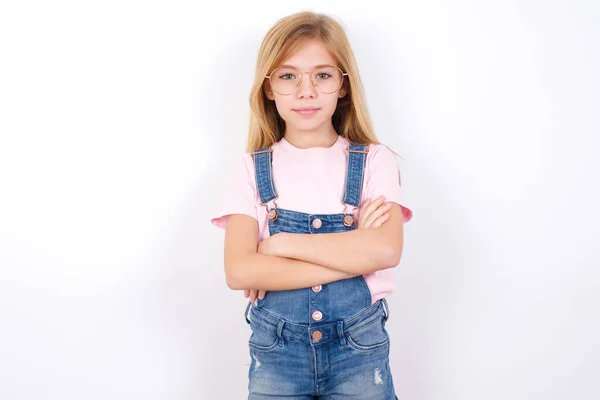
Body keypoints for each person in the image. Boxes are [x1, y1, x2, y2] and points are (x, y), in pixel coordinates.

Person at [210, 10, 413, 399]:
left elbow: (386, 250)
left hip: (359, 351)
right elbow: (239, 271)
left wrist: (279, 248)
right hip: (278, 355)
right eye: (288, 76)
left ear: (343, 85)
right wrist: (355, 253)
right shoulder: (251, 169)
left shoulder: (374, 160)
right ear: (268, 87)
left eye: (322, 74)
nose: (306, 91)